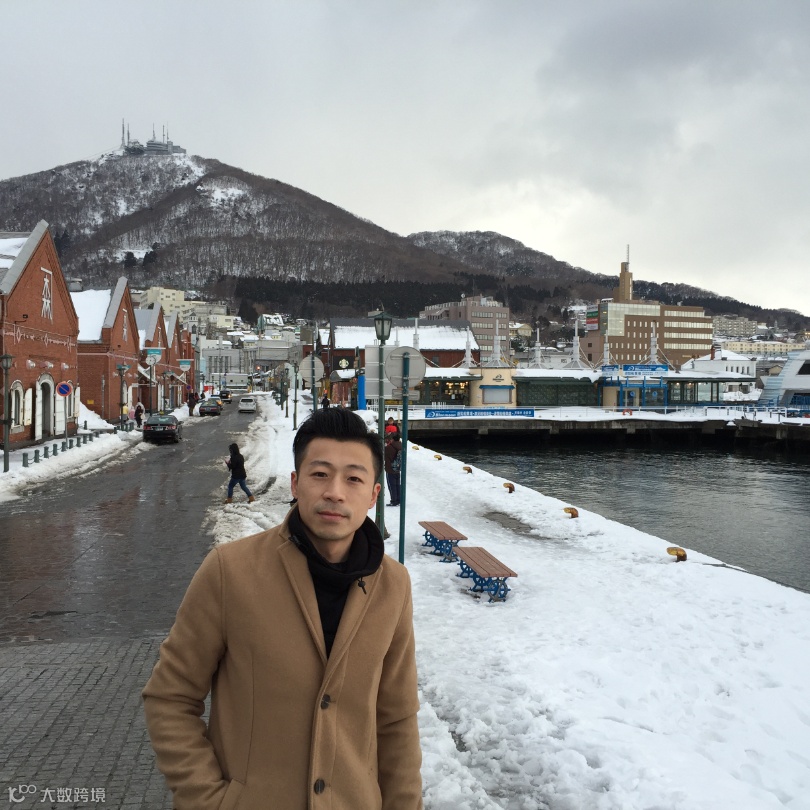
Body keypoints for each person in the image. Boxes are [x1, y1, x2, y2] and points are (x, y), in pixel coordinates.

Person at [143, 407, 422, 809]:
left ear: (374, 494)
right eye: (320, 474)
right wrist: (208, 800)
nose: (335, 492)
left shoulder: (393, 585)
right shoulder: (230, 571)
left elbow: (396, 720)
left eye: (354, 478)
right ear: (295, 482)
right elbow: (170, 696)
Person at [384, 431, 402, 507]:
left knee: (392, 486)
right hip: (398, 468)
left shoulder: (389, 447)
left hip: (390, 469)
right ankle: (399, 499)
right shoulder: (401, 446)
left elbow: (384, 456)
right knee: (397, 484)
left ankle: (394, 501)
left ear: (393, 439)